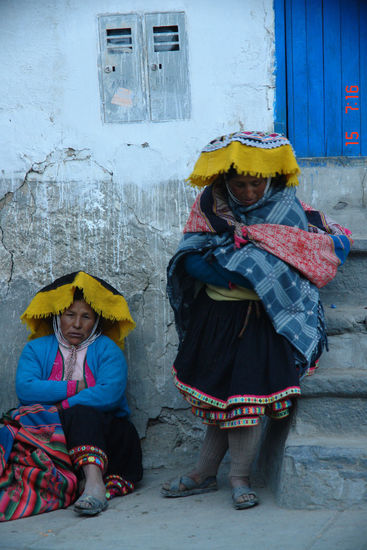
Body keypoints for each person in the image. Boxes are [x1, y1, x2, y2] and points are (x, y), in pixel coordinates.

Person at [162, 131, 352, 509]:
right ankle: (204, 472)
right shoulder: (210, 207)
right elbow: (191, 256)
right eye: (239, 185)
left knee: (245, 400)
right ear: (224, 182)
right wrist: (232, 273)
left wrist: (248, 264)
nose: (248, 192)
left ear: (270, 179)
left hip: (264, 322)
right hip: (218, 319)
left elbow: (298, 256)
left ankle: (239, 476)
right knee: (221, 399)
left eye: (255, 183)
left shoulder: (287, 210)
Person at [0, 271, 142, 520]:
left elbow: (109, 393)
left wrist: (60, 406)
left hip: (107, 436)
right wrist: (78, 387)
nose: (77, 324)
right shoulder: (36, 348)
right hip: (51, 436)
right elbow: (26, 389)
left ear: (96, 320)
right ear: (58, 316)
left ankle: (95, 484)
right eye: (70, 315)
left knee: (82, 413)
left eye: (86, 316)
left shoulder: (107, 349)